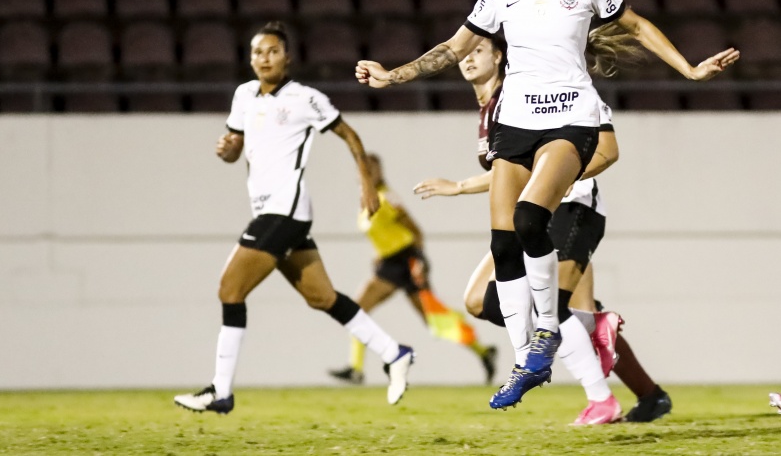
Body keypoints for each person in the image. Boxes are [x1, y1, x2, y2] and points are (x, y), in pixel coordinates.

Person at [355, 0, 739, 410]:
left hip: (571, 117)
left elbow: (637, 25)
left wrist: (689, 69)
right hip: (515, 121)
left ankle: (547, 338)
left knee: (531, 218)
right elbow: (455, 46)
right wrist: (393, 74)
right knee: (504, 242)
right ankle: (526, 361)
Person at [415, 36, 671, 424]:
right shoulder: (491, 107)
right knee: (483, 301)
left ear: (501, 55)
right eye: (463, 53)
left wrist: (462, 186)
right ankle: (648, 394)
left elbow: (599, 150)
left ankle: (602, 398)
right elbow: (512, 172)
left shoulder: (531, 92)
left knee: (555, 310)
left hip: (570, 209)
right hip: (537, 217)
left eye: (477, 50)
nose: (466, 58)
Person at [174, 22, 415, 415]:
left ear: (287, 57)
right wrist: (227, 149)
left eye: (272, 51)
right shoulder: (243, 96)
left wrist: (366, 186)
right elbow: (236, 148)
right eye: (257, 52)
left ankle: (221, 390)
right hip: (270, 210)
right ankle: (395, 352)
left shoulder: (305, 98)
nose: (264, 58)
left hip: (285, 211)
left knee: (229, 290)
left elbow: (350, 136)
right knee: (321, 297)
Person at [328, 153, 497, 387]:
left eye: (372, 169)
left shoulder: (386, 197)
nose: (367, 173)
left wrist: (418, 261)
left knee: (433, 319)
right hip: (389, 264)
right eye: (363, 169)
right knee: (360, 308)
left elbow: (415, 231)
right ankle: (355, 368)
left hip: (406, 260)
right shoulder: (367, 201)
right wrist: (378, 255)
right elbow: (383, 234)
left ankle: (482, 350)